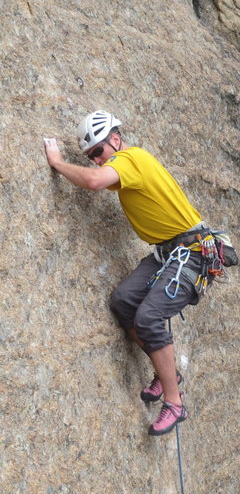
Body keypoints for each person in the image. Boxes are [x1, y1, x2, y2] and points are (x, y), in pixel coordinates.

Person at [44, 110, 219, 436]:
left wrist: (57, 162)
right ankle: (166, 372)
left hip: (191, 252)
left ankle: (175, 402)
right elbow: (101, 177)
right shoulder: (124, 168)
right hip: (167, 252)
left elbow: (94, 182)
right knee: (124, 301)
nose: (96, 160)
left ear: (115, 138)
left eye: (98, 151)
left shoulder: (131, 157)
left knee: (149, 317)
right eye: (91, 156)